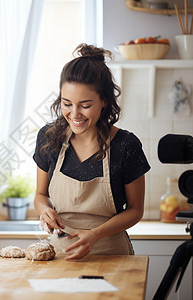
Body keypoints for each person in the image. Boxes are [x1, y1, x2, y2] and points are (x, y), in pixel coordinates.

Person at [33, 43, 150, 260]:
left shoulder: (126, 145)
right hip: (60, 255)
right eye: (66, 104)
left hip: (111, 255)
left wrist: (95, 234)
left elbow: (135, 210)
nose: (74, 114)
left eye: (85, 105)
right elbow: (40, 195)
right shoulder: (50, 138)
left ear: (104, 101)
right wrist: (44, 210)